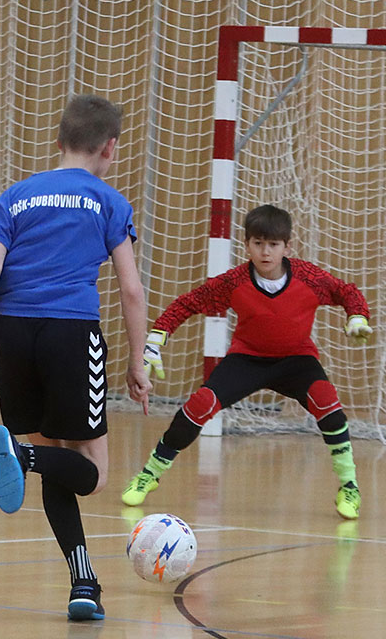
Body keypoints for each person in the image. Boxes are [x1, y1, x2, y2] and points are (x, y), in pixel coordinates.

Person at [0, 94, 152, 622]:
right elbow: (131, 290)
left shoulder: (16, 195)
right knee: (92, 474)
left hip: (14, 330)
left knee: (55, 461)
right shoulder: (108, 202)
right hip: (71, 332)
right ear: (110, 148)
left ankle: (83, 584)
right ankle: (22, 457)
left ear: (59, 141)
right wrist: (137, 361)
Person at [120, 204, 372, 519]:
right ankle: (149, 473)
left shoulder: (309, 277)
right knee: (200, 404)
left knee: (327, 401)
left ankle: (349, 486)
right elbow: (189, 302)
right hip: (248, 359)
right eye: (258, 243)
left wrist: (358, 316)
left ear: (287, 246)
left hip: (296, 360)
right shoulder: (235, 281)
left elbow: (347, 292)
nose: (265, 251)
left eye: (273, 244)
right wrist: (157, 337)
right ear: (247, 245)